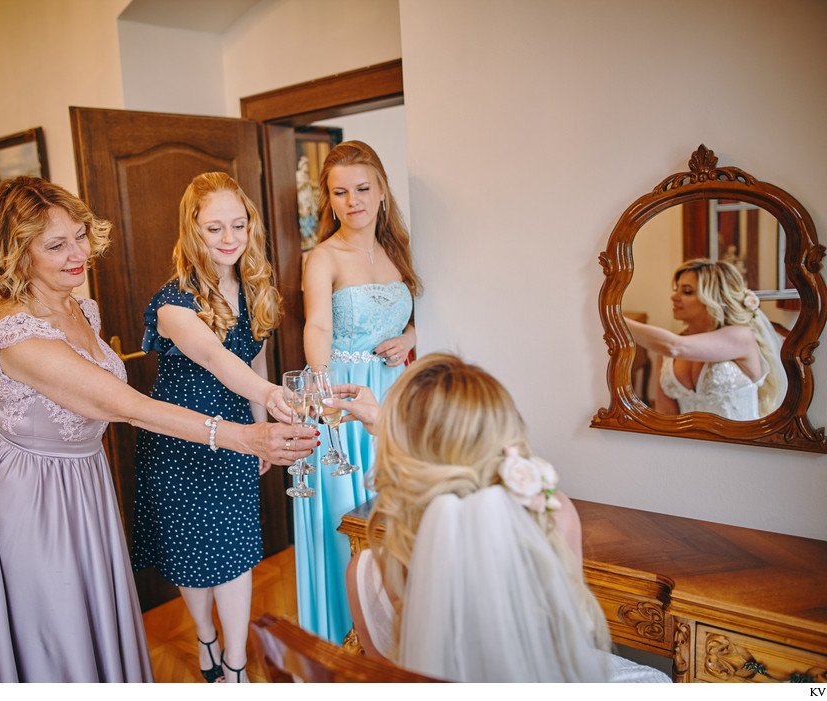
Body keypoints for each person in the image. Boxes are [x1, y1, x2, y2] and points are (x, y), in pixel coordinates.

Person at [0, 176, 315, 683]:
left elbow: (247, 359)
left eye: (80, 237)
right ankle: (203, 646)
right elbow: (130, 406)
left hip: (85, 479)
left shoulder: (79, 306)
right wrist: (246, 433)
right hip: (36, 491)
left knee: (99, 611)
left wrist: (259, 412)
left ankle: (226, 667)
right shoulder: (19, 336)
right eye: (56, 245)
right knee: (57, 622)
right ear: (18, 254)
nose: (77, 254)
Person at [329, 355, 670, 683]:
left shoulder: (364, 573)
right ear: (505, 436)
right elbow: (569, 641)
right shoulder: (553, 514)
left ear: (399, 453)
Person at [130, 172, 300, 683]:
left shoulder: (254, 289)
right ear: (192, 231)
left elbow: (257, 359)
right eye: (213, 229)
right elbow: (218, 359)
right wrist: (268, 397)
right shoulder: (173, 302)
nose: (229, 238)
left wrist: (261, 422)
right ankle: (204, 635)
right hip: (179, 439)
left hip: (237, 438)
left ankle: (234, 667)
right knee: (190, 557)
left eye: (238, 225)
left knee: (235, 555)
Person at [295, 140, 421, 644]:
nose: (354, 201)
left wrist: (411, 338)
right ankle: (343, 641)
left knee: (394, 513)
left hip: (391, 393)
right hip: (340, 395)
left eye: (363, 189)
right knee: (346, 521)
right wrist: (323, 387)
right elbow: (317, 327)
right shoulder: (323, 256)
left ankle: (398, 640)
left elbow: (415, 316)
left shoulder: (397, 250)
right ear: (329, 199)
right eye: (341, 192)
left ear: (382, 190)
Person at [625, 258, 786, 420]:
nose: (674, 297)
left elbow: (675, 347)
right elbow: (666, 414)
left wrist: (614, 317)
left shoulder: (741, 336)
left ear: (714, 298)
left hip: (739, 443)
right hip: (688, 444)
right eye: (677, 289)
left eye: (687, 291)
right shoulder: (665, 350)